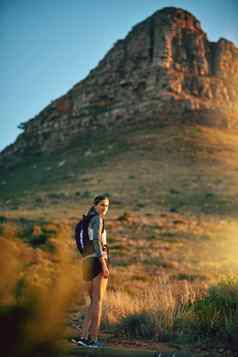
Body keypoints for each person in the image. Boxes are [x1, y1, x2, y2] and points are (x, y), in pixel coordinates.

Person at [72, 194, 110, 348]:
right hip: (98, 261)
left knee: (93, 303)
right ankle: (93, 340)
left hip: (86, 262)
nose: (104, 208)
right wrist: (104, 264)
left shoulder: (85, 220)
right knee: (98, 302)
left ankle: (83, 337)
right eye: (102, 205)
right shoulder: (98, 219)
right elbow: (96, 241)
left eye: (107, 206)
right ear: (95, 205)